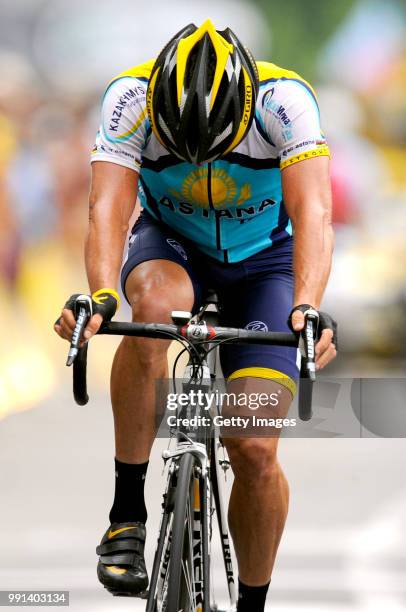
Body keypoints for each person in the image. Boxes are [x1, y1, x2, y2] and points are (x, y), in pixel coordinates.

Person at [54, 19, 337, 612]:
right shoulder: (129, 99)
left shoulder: (284, 102)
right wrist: (101, 295)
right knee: (153, 307)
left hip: (268, 262)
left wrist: (307, 305)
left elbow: (312, 211)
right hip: (173, 243)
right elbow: (107, 206)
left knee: (254, 448)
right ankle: (126, 513)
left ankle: (252, 604)